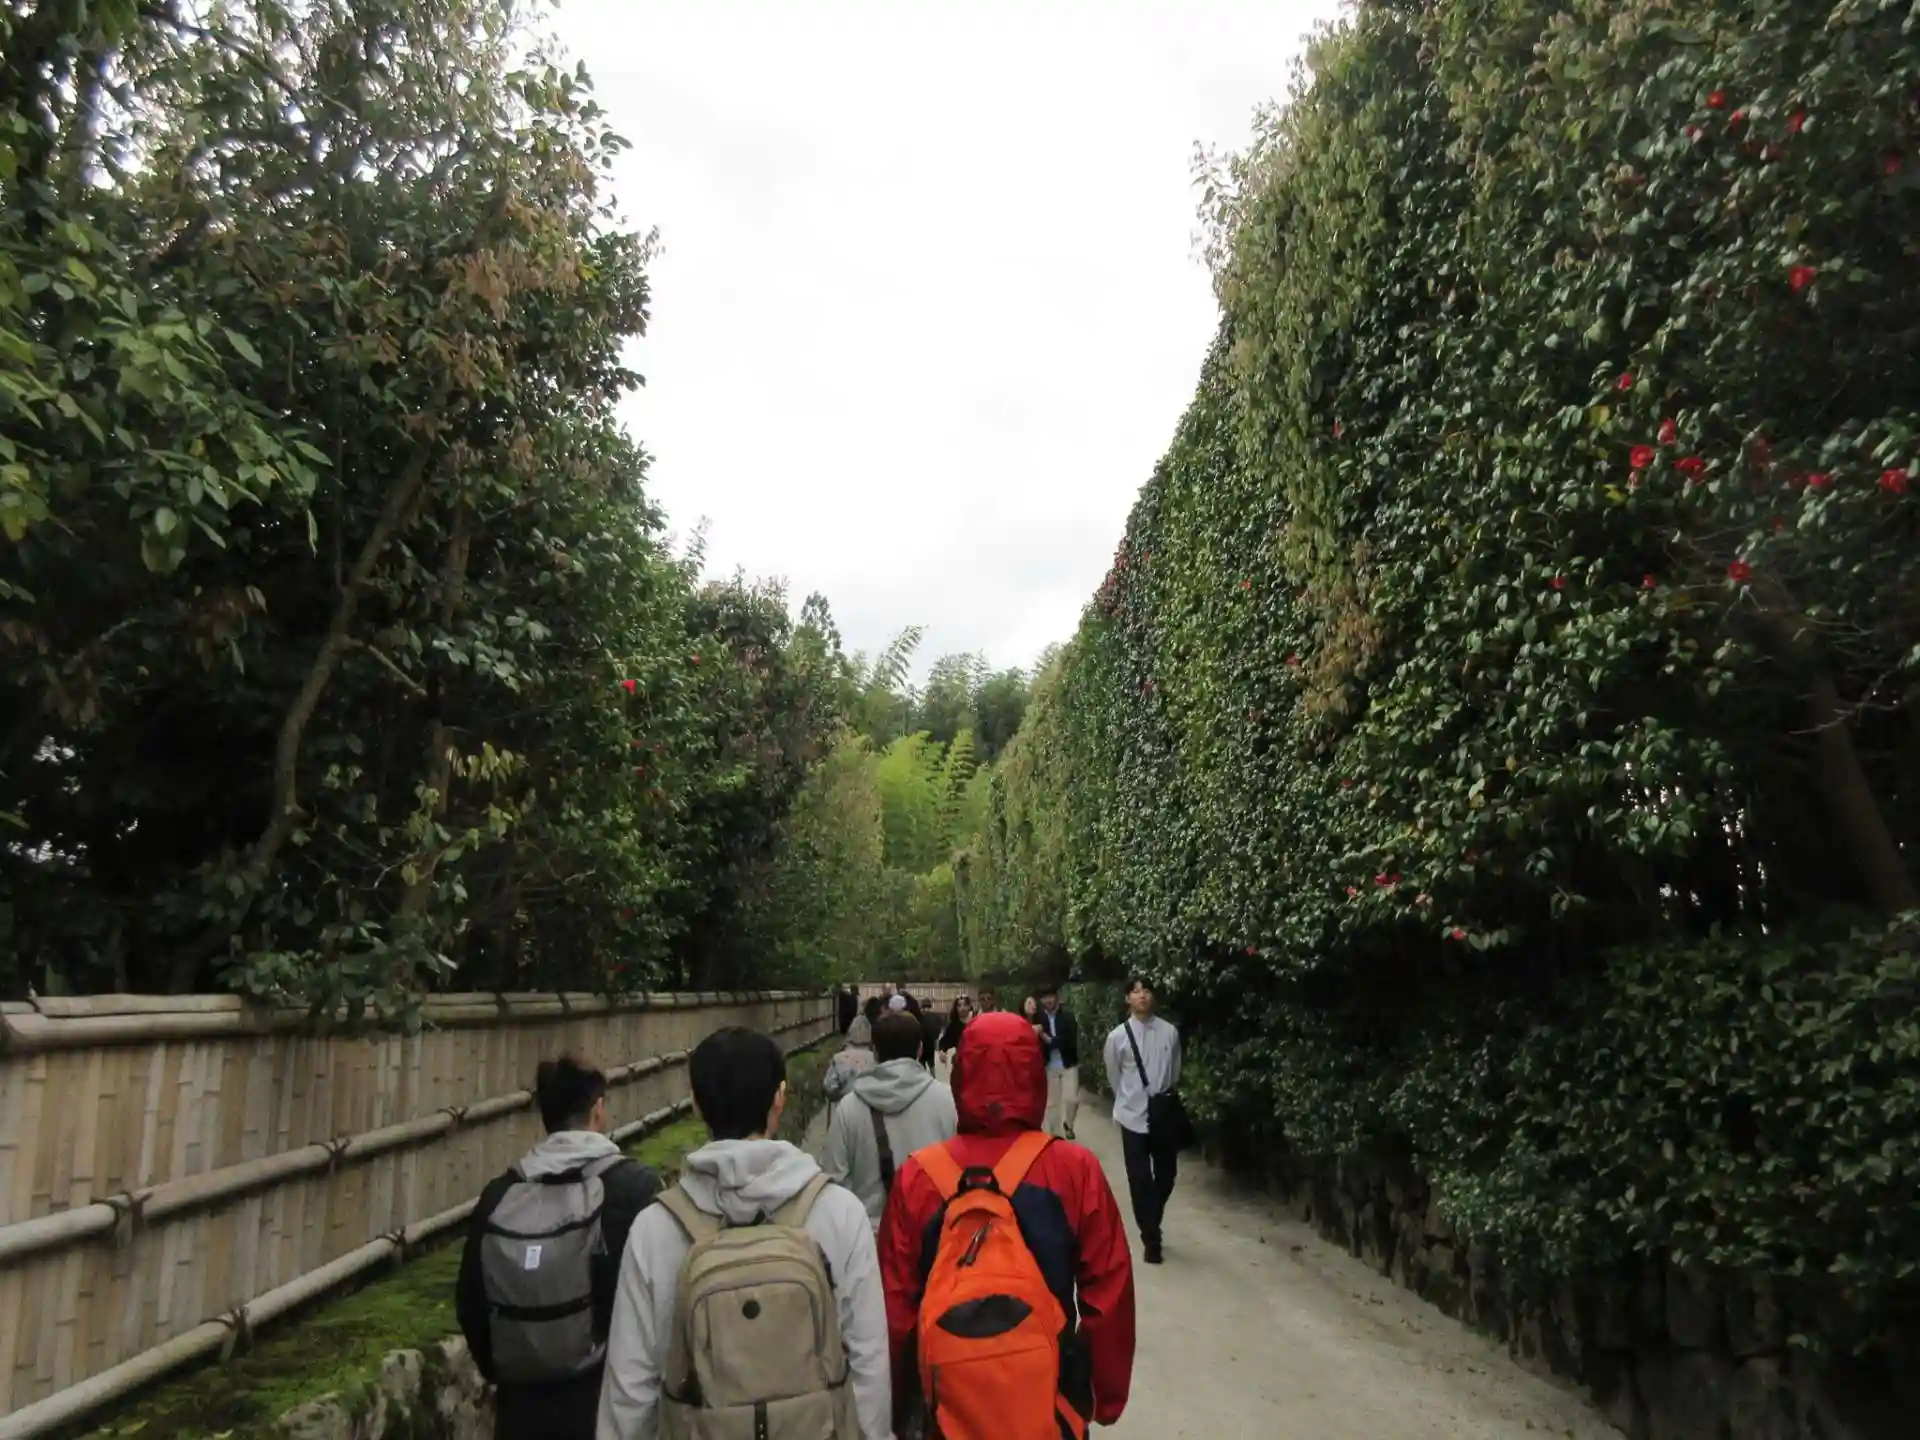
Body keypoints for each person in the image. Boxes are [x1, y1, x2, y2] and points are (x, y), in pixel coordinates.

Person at [597, 1027, 892, 1439]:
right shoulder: (839, 1211)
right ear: (779, 1098)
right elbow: (867, 1362)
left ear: (696, 1104)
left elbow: (630, 1391)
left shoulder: (655, 1227)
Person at [879, 1010, 1135, 1438]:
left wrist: (902, 1405)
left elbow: (895, 1309)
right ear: (1034, 1073)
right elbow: (1109, 1294)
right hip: (1046, 1403)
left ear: (961, 1075)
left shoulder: (917, 1176)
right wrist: (1097, 1396)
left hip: (946, 1408)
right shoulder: (1074, 1169)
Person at [457, 1053, 660, 1440]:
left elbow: (471, 1303)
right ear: (598, 1109)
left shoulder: (500, 1195)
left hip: (520, 1413)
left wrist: (510, 1368)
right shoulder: (633, 1188)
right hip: (603, 1407)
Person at [822, 1012, 958, 1230]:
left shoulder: (849, 1107)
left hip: (870, 1236)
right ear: (920, 1049)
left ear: (874, 1052)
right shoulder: (947, 1101)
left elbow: (835, 1182)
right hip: (934, 1235)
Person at [1103, 978, 1183, 1265]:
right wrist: (1129, 1098)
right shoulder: (1117, 1037)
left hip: (1162, 1113)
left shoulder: (1169, 1032)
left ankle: (1151, 1217)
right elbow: (1114, 1076)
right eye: (1136, 991)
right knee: (1139, 1179)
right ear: (1128, 999)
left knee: (1166, 1175)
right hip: (1131, 1115)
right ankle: (1151, 1239)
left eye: (1146, 990)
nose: (1142, 996)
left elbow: (1174, 1070)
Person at [1037, 987, 1080, 1141]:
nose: (1048, 1000)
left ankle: (1068, 1124)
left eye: (1051, 996)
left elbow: (1070, 1040)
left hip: (1068, 1063)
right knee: (1052, 1103)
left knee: (1072, 1099)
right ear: (1041, 1000)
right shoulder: (1039, 1019)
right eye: (1045, 997)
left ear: (1056, 998)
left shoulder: (1067, 1016)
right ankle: (1055, 1134)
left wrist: (1047, 1038)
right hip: (1049, 1066)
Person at [824, 1013, 877, 1103]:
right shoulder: (874, 1058)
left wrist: (842, 1095)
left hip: (845, 1106)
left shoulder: (839, 1058)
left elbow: (829, 1087)